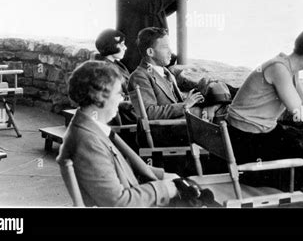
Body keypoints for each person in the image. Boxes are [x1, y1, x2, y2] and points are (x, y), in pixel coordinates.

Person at [225, 27, 303, 207]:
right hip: (245, 142)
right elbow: (301, 114)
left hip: (251, 133)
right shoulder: (279, 69)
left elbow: (302, 104)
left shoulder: (287, 67)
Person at [56, 60, 180, 207]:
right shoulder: (88, 142)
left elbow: (122, 167)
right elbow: (118, 203)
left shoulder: (91, 128)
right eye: (118, 94)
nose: (121, 99)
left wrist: (161, 176)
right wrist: (164, 189)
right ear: (99, 97)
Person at [127, 27, 203, 146]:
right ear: (150, 52)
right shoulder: (139, 76)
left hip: (175, 125)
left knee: (216, 110)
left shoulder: (165, 72)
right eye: (165, 47)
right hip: (160, 132)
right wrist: (185, 105)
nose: (170, 52)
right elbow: (149, 113)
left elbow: (174, 99)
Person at [94, 28, 137, 125]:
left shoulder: (116, 64)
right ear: (111, 46)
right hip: (120, 114)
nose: (125, 48)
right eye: (122, 44)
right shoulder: (106, 69)